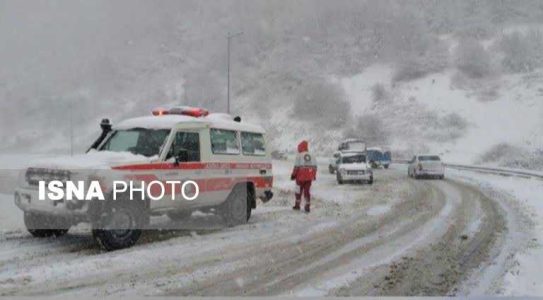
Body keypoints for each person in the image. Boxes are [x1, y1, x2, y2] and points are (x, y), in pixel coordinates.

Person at [290, 140, 317, 213]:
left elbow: (296, 167)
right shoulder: (312, 155)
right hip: (309, 177)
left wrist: (293, 175)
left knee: (298, 191)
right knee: (307, 192)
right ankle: (307, 206)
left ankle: (297, 205)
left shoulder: (299, 156)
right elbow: (315, 167)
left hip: (300, 177)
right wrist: (313, 175)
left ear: (300, 147)